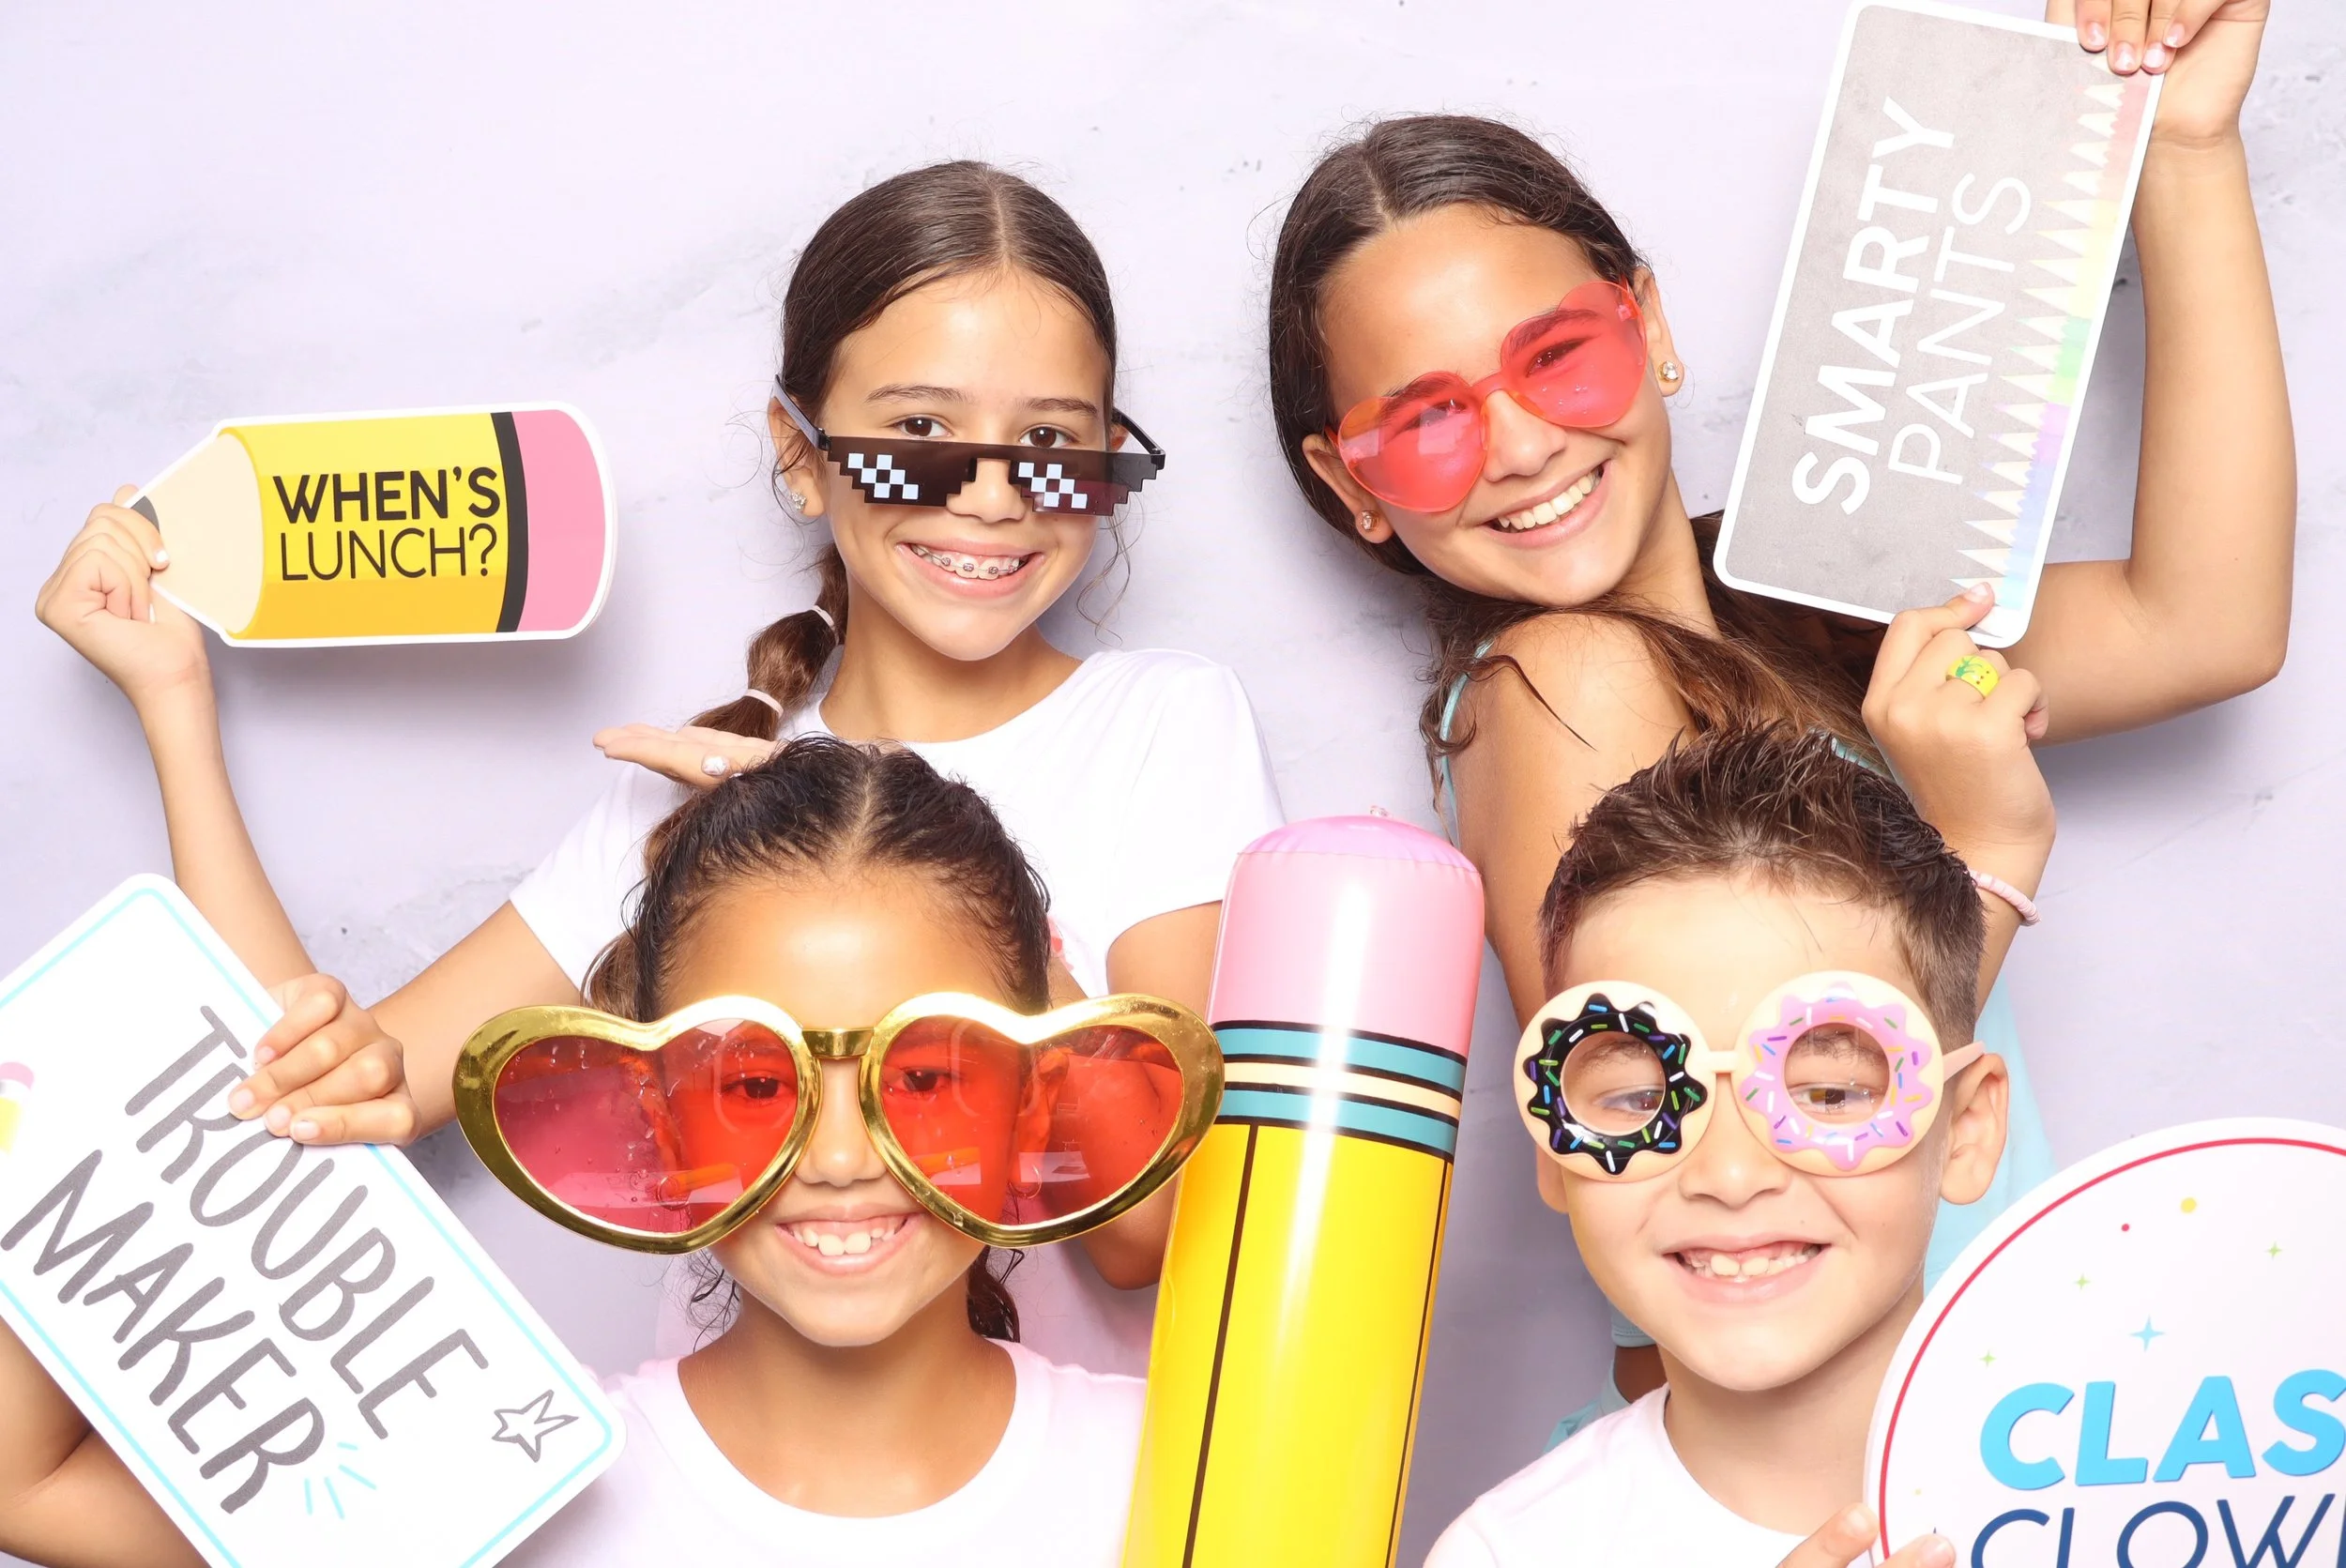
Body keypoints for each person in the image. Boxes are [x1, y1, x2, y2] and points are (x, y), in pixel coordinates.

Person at [35, 160, 1284, 1374]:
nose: (997, 497)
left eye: (1054, 444)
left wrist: (932, 872)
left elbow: (1151, 1233)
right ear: (799, 456)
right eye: (920, 434)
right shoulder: (698, 795)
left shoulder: (1165, 727)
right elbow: (327, 1087)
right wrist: (174, 702)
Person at [1264, 0, 2287, 1409]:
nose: (1519, 445)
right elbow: (1680, 1130)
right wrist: (1983, 842)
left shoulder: (1808, 595)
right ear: (1347, 483)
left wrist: (2184, 145)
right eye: (1427, 421)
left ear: (1652, 321)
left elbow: (2206, 622)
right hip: (1790, 1428)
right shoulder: (1560, 679)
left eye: (1559, 355)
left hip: (1948, 1389)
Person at [0, 738, 1184, 1568]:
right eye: (752, 1080)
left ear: (1038, 1101)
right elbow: (26, 1488)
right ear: (650, 1115)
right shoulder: (504, 1491)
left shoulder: (1188, 1474)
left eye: (927, 1073)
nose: (835, 1154)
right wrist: (178, 1110)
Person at [1425, 723, 2044, 1567]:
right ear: (1553, 1146)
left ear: (1967, 1128)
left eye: (1827, 1092)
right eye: (1639, 1099)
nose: (1730, 1173)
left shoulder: (2151, 1488)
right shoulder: (1508, 1553)